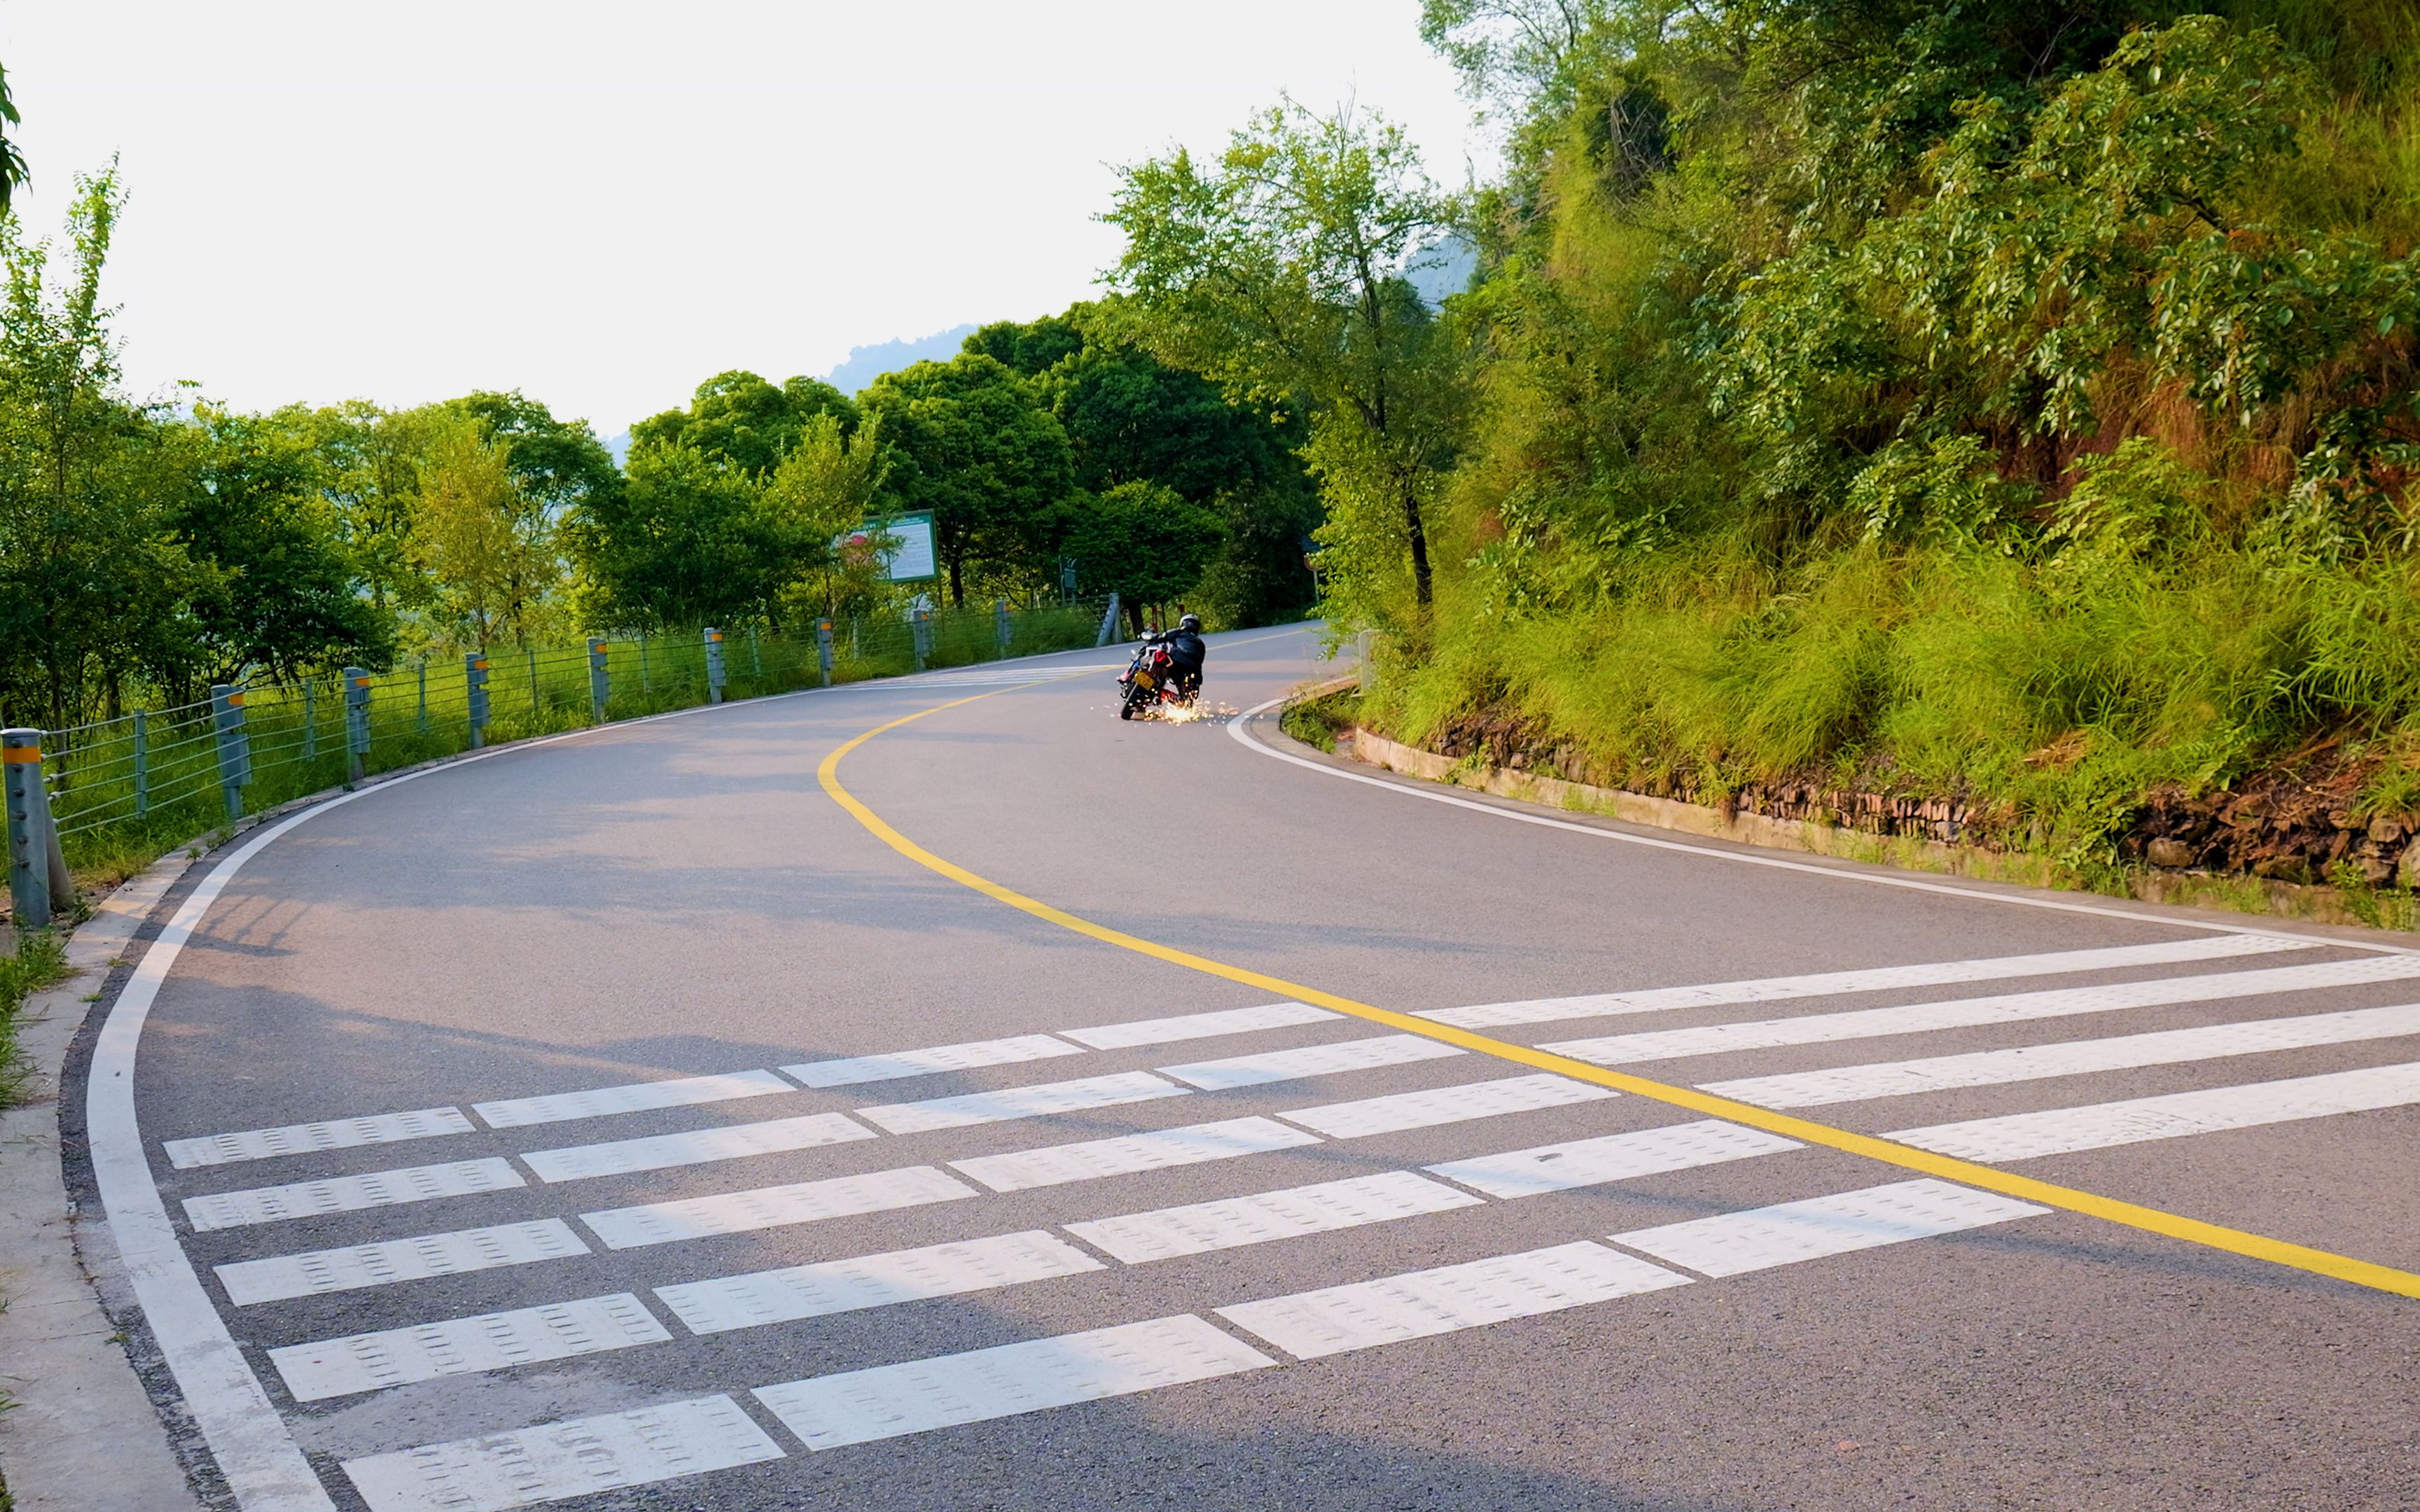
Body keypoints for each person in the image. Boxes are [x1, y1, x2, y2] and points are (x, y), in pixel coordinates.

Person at [1150, 613, 1206, 699]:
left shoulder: (1177, 632)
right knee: (1186, 700)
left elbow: (1159, 639)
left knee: (1158, 671)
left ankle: (1154, 688)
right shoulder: (1200, 643)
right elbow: (1199, 662)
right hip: (1190, 670)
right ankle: (1179, 700)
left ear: (1183, 624)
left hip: (1173, 662)